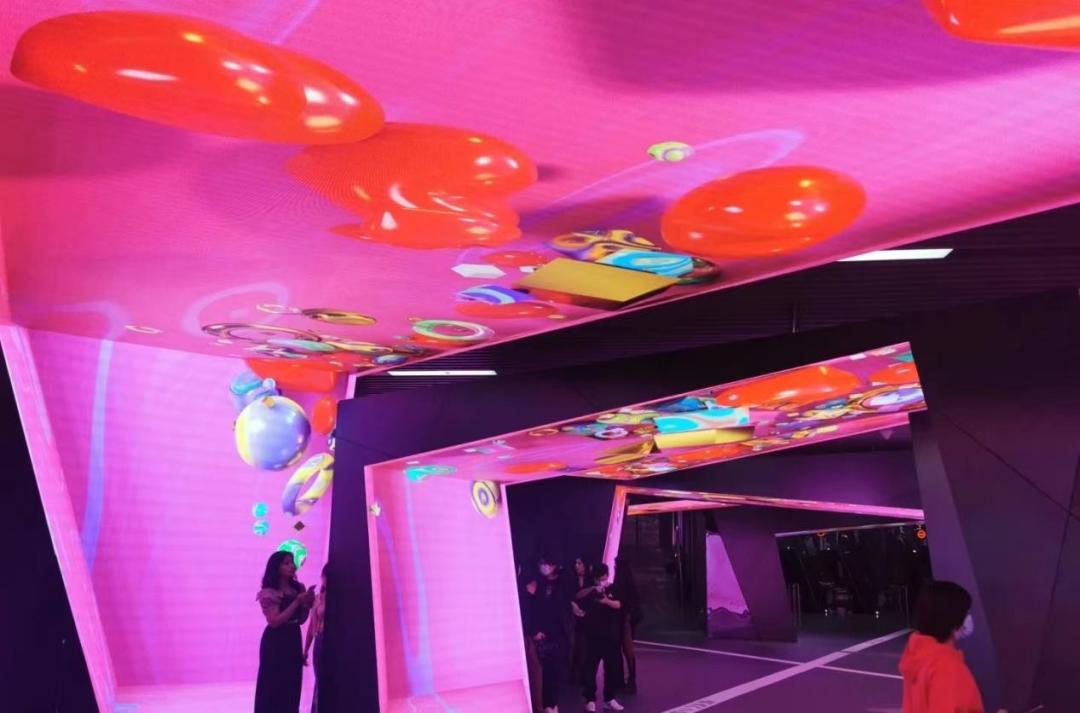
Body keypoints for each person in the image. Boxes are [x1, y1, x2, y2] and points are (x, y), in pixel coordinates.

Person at [900, 580, 985, 713]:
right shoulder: (947, 666)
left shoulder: (917, 654)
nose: (969, 619)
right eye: (966, 613)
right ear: (952, 620)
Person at [255, 551, 315, 713]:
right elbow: (274, 621)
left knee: (292, 682)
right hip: (275, 641)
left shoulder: (298, 587)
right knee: (273, 684)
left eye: (292, 562)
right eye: (286, 563)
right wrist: (296, 602)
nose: (291, 566)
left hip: (293, 637)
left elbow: (301, 619)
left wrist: (308, 604)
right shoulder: (269, 592)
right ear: (276, 567)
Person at [527, 554, 570, 713]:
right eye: (542, 564)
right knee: (544, 671)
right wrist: (534, 630)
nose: (544, 567)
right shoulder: (536, 583)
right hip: (541, 633)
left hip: (559, 633)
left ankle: (552, 703)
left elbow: (563, 606)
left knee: (556, 670)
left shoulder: (563, 583)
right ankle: (547, 705)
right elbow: (531, 610)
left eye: (547, 564)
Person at [579, 563, 625, 712]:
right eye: (600, 579)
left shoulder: (614, 588)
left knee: (611, 668)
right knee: (590, 668)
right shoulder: (590, 590)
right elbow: (578, 596)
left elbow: (618, 604)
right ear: (595, 578)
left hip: (611, 636)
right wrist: (593, 589)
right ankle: (590, 700)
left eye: (604, 578)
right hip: (593, 636)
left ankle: (609, 699)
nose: (602, 581)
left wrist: (606, 601)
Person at [613, 557, 642, 694]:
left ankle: (622, 681)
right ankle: (631, 680)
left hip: (622, 620)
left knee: (621, 650)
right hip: (627, 620)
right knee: (627, 651)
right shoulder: (630, 583)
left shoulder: (619, 583)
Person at [303, 564, 329, 713]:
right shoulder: (318, 598)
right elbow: (311, 626)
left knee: (327, 683)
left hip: (333, 644)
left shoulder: (339, 599)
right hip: (320, 641)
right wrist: (306, 649)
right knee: (320, 682)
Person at [569, 557, 591, 685]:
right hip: (574, 617)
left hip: (588, 616)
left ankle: (583, 676)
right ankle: (573, 676)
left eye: (579, 563)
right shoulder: (571, 580)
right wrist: (573, 605)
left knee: (585, 647)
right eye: (575, 563)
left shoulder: (590, 579)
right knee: (575, 646)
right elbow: (571, 596)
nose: (577, 565)